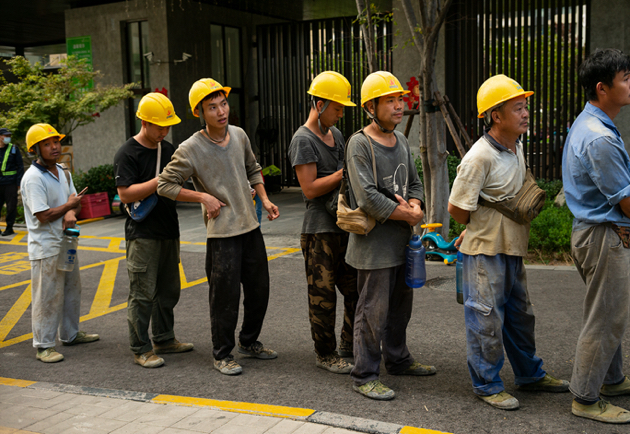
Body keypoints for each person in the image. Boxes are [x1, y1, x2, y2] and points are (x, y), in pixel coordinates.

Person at [447, 75, 570, 411]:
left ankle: (530, 375)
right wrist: (475, 225)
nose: (526, 113)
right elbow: (456, 210)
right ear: (496, 116)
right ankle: (487, 384)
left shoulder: (515, 146)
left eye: (525, 106)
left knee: (520, 317)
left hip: (512, 248)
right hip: (485, 252)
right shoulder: (479, 157)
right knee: (485, 319)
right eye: (518, 108)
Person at [158, 78, 280, 376]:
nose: (221, 111)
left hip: (250, 226)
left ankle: (248, 342)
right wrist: (202, 196)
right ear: (200, 112)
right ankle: (222, 354)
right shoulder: (190, 148)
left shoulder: (238, 135)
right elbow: (164, 184)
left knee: (259, 291)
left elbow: (253, 169)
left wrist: (263, 198)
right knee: (224, 299)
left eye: (223, 104)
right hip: (222, 235)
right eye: (212, 107)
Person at [562, 48, 630, 424]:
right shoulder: (598, 136)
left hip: (597, 232)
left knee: (608, 312)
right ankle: (585, 397)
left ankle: (612, 379)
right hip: (602, 236)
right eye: (626, 79)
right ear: (603, 88)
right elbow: (625, 196)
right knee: (605, 317)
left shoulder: (590, 123)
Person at [346, 71, 434, 401]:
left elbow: (414, 182)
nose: (399, 106)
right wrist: (409, 215)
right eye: (391, 101)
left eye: (400, 99)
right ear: (371, 107)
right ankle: (365, 374)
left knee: (400, 308)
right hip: (373, 247)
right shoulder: (360, 143)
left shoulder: (400, 141)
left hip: (401, 243)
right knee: (372, 312)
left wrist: (416, 202)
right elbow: (367, 196)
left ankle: (397, 359)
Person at [114, 92, 193, 369]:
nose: (164, 130)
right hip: (142, 233)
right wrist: (159, 180)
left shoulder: (168, 149)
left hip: (169, 229)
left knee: (169, 289)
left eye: (167, 125)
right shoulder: (127, 153)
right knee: (142, 293)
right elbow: (125, 194)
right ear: (144, 122)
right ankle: (140, 347)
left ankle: (164, 338)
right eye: (160, 125)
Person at [288, 71, 359, 374]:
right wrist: (344, 174)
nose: (341, 113)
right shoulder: (303, 140)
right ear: (319, 105)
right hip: (319, 230)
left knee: (356, 289)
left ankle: (348, 342)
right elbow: (310, 188)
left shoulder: (337, 135)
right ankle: (325, 353)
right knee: (323, 296)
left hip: (343, 225)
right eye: (337, 107)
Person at [20, 123, 99, 363]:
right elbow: (43, 215)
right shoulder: (33, 178)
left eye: (56, 142)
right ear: (36, 149)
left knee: (71, 289)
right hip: (45, 247)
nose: (55, 147)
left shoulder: (63, 171)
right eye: (47, 144)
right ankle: (43, 345)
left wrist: (70, 211)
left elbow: (74, 200)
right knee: (47, 295)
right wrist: (68, 207)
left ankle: (70, 334)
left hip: (66, 241)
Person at [0, 127, 24, 236]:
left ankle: (9, 228)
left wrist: (19, 182)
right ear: (0, 137)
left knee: (11, 206)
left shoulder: (13, 148)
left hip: (11, 183)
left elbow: (20, 166)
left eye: (9, 136)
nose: (8, 138)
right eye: (6, 136)